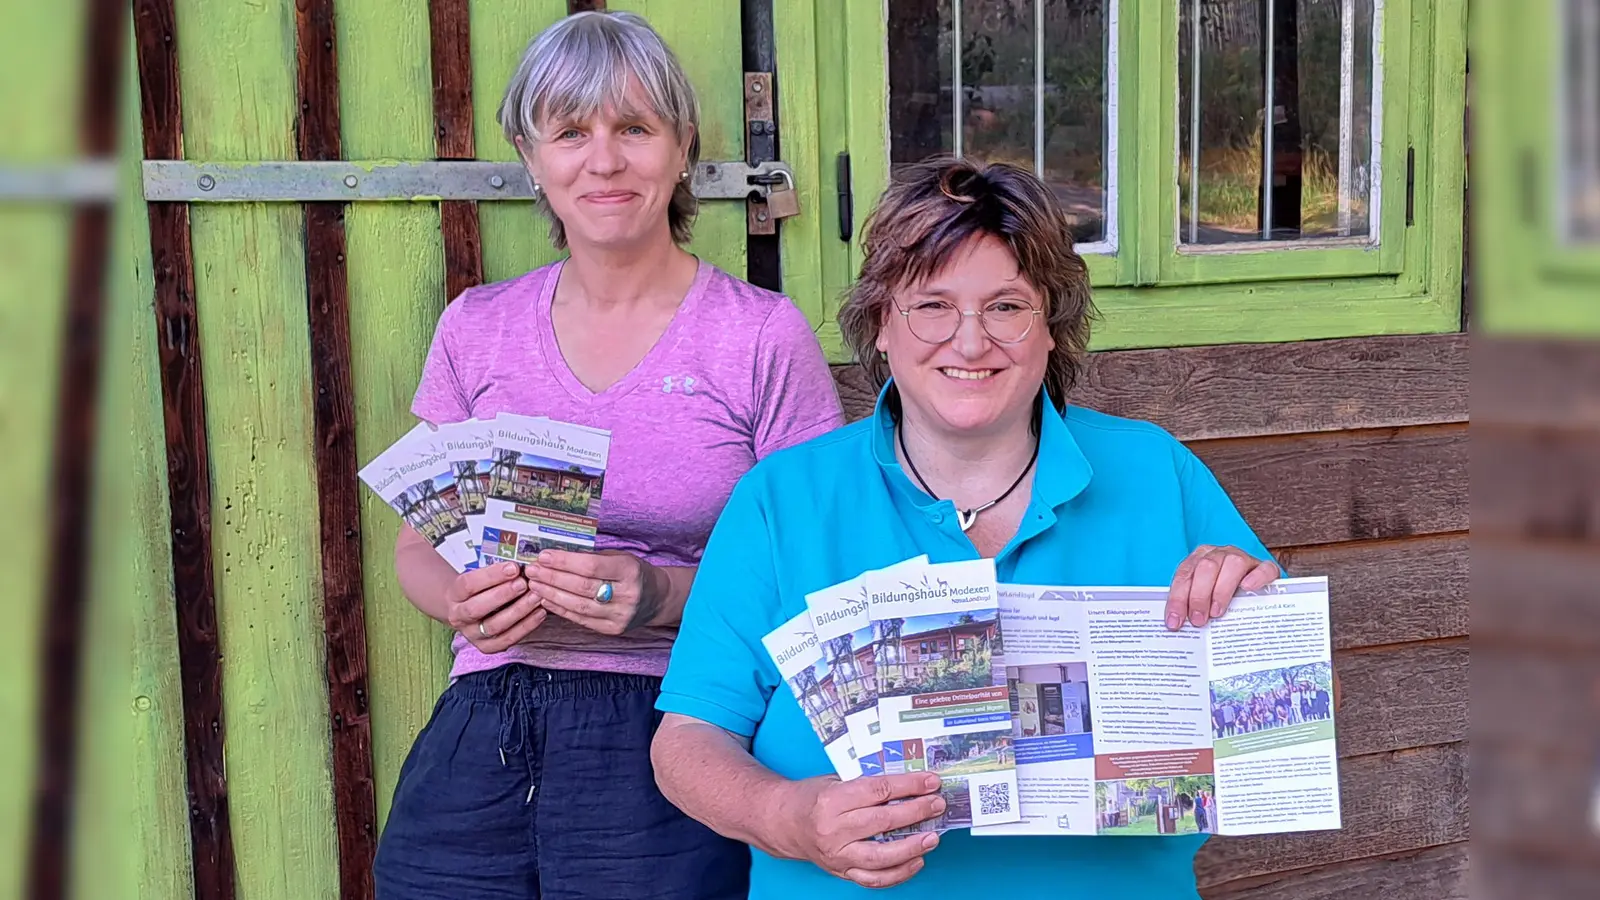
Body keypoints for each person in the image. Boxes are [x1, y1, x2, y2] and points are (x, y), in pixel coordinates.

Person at [649, 157, 1282, 897]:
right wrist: (790, 815)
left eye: (1007, 307)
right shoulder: (782, 499)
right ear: (882, 323)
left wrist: (1250, 621)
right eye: (933, 305)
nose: (971, 342)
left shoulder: (1156, 473)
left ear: (1052, 327)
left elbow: (1269, 728)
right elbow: (687, 742)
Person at [372, 11, 843, 900]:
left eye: (634, 128)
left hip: (678, 720)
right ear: (530, 151)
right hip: (488, 714)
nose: (605, 160)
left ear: (680, 144)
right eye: (571, 132)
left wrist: (660, 596)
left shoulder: (757, 336)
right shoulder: (478, 328)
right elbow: (416, 543)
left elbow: (814, 574)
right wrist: (460, 602)